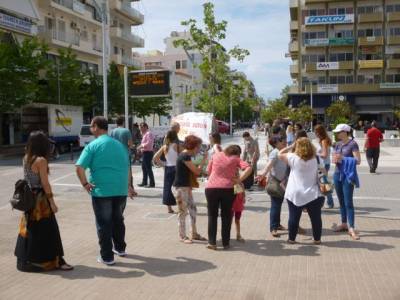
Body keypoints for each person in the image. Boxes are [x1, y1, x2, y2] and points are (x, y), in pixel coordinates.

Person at [76, 116, 133, 265]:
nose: (90, 129)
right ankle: (120, 248)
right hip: (120, 189)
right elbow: (127, 167)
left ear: (96, 127)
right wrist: (129, 186)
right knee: (118, 220)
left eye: (91, 126)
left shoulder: (92, 146)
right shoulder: (120, 145)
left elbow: (79, 167)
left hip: (101, 191)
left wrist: (85, 184)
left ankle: (107, 256)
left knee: (104, 223)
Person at [15, 131, 73, 272]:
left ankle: (27, 259)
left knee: (31, 229)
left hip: (29, 198)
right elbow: (45, 184)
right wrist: (52, 202)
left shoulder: (26, 157)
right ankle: (57, 261)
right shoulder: (41, 160)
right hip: (40, 200)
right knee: (50, 230)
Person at [205, 145, 252, 250]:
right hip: (228, 189)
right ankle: (226, 243)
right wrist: (239, 180)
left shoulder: (215, 155)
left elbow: (208, 171)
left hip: (211, 188)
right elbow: (249, 168)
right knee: (226, 216)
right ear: (237, 153)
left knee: (212, 216)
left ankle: (212, 242)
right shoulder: (236, 158)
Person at [278, 137, 324, 244]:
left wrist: (291, 146)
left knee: (294, 217)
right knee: (316, 218)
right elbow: (323, 172)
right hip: (313, 193)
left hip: (295, 192)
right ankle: (317, 239)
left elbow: (279, 153)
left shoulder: (292, 157)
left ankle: (291, 239)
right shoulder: (316, 158)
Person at [173, 135, 207, 244]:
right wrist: (204, 160)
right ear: (193, 147)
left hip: (186, 188)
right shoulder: (184, 156)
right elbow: (197, 171)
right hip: (180, 188)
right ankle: (182, 236)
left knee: (193, 210)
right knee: (182, 212)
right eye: (198, 147)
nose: (199, 150)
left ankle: (194, 233)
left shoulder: (186, 156)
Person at [332, 124, 361, 240]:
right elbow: (335, 158)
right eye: (337, 132)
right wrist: (335, 159)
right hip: (337, 174)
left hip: (348, 176)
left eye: (339, 132)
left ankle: (351, 227)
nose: (337, 134)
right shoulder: (337, 144)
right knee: (341, 201)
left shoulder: (353, 144)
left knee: (348, 202)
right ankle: (344, 223)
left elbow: (358, 161)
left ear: (345, 132)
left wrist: (343, 158)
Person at [256, 136, 289, 238]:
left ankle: (277, 224)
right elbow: (269, 165)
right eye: (281, 140)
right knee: (275, 205)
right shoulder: (275, 152)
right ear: (276, 143)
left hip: (282, 182)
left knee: (278, 204)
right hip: (275, 182)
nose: (284, 141)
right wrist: (263, 174)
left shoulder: (283, 151)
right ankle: (273, 228)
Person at [153, 130, 181, 214]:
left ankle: (169, 208)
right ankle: (180, 207)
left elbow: (155, 158)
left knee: (167, 188)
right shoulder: (176, 146)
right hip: (176, 168)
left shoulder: (165, 147)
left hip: (168, 168)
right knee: (178, 188)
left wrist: (163, 165)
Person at [111, 116, 137, 197]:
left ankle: (117, 188)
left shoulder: (113, 131)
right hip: (125, 154)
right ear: (123, 122)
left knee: (116, 171)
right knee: (128, 172)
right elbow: (130, 144)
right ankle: (130, 189)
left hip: (115, 155)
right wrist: (132, 146)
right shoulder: (126, 131)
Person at [314, 124, 334, 208]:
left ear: (319, 132)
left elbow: (325, 154)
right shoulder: (325, 140)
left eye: (316, 131)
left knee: (324, 183)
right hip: (325, 163)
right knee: (324, 183)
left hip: (323, 164)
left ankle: (330, 202)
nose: (315, 133)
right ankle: (328, 202)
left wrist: (316, 154)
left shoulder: (324, 141)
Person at [138, 123, 155, 188]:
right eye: (140, 127)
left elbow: (149, 143)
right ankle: (144, 182)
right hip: (145, 152)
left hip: (148, 153)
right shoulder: (145, 134)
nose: (140, 129)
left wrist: (141, 146)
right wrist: (140, 147)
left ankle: (152, 183)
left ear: (145, 127)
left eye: (141, 127)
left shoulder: (149, 134)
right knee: (144, 168)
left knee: (148, 168)